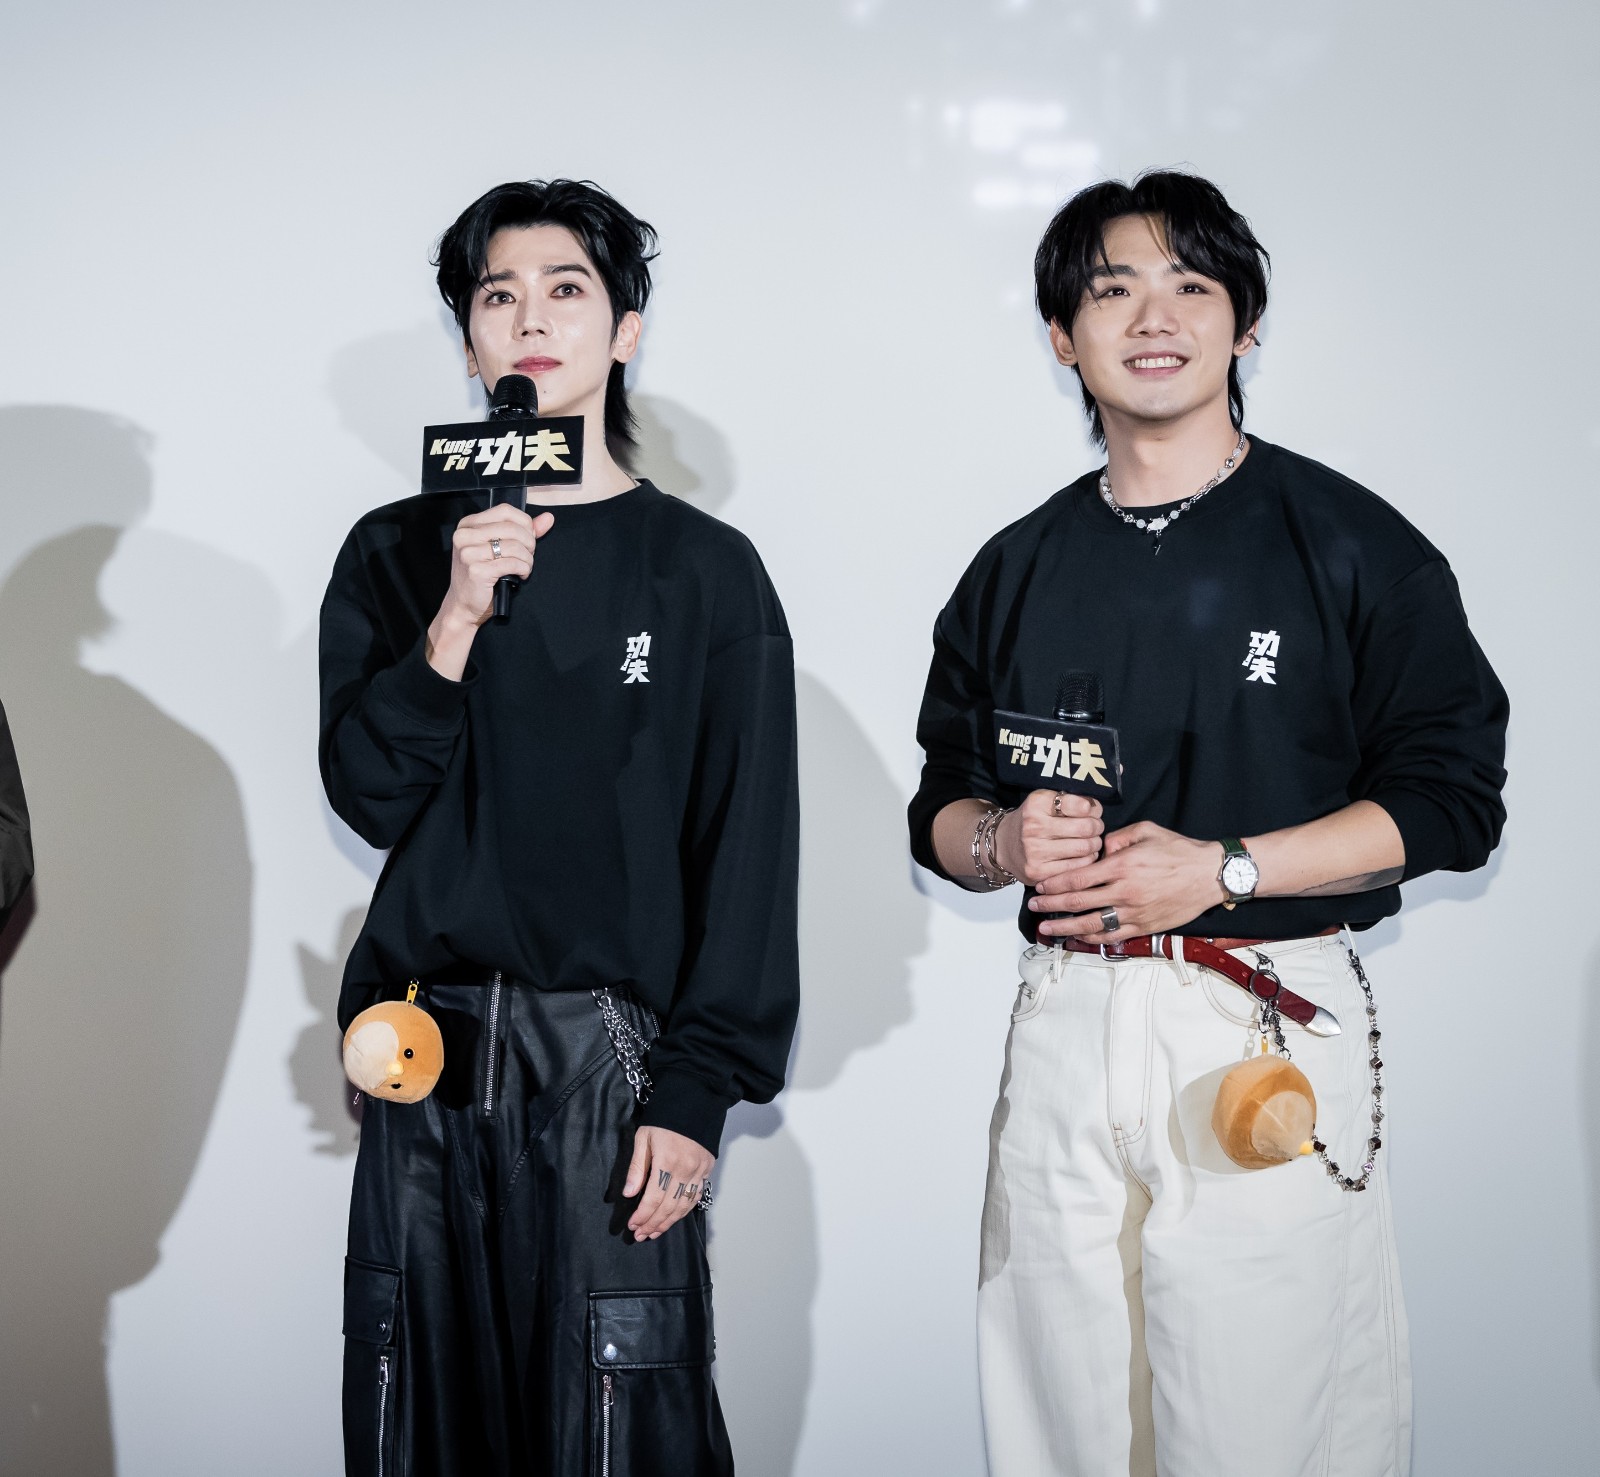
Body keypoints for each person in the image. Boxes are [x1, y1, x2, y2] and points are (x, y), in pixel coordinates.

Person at [908, 170, 1507, 1476]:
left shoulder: (1350, 543)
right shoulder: (1015, 566)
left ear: (1245, 322)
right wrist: (1002, 842)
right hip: (1065, 1017)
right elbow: (940, 804)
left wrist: (1225, 868)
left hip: (1259, 1015)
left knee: (1260, 1425)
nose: (1154, 316)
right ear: (1062, 334)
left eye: (1191, 284)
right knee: (1058, 1417)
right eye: (1112, 288)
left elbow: (1453, 799)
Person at [320, 178, 799, 1476]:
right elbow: (366, 793)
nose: (530, 318)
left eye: (566, 289)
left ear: (625, 329)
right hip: (421, 1048)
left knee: (613, 1426)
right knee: (417, 1418)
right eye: (498, 295)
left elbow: (747, 850)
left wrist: (696, 1090)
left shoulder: (703, 571)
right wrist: (455, 620)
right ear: (470, 340)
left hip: (607, 1059)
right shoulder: (396, 552)